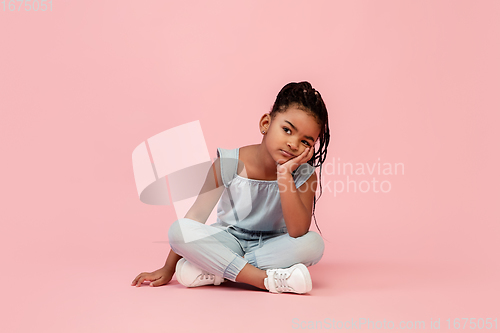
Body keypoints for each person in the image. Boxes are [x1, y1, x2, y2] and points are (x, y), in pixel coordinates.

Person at [131, 81, 330, 294]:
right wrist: (169, 268)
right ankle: (265, 280)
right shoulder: (228, 162)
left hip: (273, 244)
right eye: (287, 130)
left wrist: (284, 175)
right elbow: (195, 218)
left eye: (306, 142)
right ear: (265, 123)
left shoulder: (305, 176)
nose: (293, 144)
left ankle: (219, 270)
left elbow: (298, 231)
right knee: (178, 230)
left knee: (314, 244)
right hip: (230, 239)